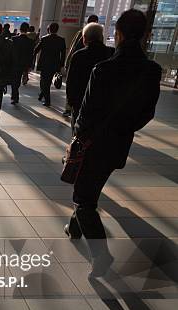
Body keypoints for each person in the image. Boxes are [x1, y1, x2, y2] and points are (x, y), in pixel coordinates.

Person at [65, 9, 161, 276]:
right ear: (144, 35)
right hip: (120, 143)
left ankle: (101, 256)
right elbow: (148, 112)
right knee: (91, 185)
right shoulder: (152, 71)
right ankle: (74, 227)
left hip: (94, 143)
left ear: (117, 34)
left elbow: (85, 113)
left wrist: (78, 139)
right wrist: (125, 128)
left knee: (83, 198)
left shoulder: (104, 70)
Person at [66, 23, 114, 128]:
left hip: (81, 101)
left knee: (79, 133)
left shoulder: (78, 55)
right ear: (101, 37)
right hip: (104, 103)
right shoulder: (111, 53)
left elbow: (71, 81)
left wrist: (71, 101)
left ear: (84, 38)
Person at [63, 14, 99, 117]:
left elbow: (73, 48)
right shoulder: (97, 34)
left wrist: (68, 62)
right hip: (91, 65)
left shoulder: (81, 33)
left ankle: (69, 108)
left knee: (74, 85)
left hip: (79, 64)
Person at [33, 22, 65, 107]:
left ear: (49, 29)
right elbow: (63, 53)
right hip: (55, 64)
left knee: (44, 82)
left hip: (44, 64)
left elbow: (36, 50)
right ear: (57, 30)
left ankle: (47, 101)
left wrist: (32, 57)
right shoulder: (61, 40)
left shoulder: (44, 39)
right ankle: (41, 95)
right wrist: (61, 65)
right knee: (48, 81)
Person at [10, 22, 35, 104]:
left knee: (15, 80)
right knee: (18, 79)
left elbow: (10, 52)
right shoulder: (31, 41)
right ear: (27, 30)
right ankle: (15, 96)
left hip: (14, 63)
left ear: (20, 29)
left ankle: (14, 97)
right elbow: (31, 55)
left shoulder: (14, 39)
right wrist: (30, 65)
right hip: (24, 64)